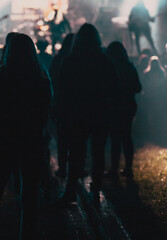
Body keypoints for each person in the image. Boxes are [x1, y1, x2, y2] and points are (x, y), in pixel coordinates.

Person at [0, 33, 52, 240]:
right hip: (31, 144)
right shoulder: (41, 78)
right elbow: (46, 113)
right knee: (29, 201)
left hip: (1, 142)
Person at [56, 24, 119, 204]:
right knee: (98, 152)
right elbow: (115, 85)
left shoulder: (71, 59)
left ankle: (70, 191)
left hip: (77, 113)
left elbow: (62, 88)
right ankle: (96, 190)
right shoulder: (103, 59)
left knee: (75, 153)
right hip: (100, 112)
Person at [106, 41, 142, 178]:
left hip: (114, 107)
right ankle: (128, 168)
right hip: (128, 106)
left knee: (115, 138)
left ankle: (114, 169)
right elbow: (138, 88)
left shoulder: (110, 68)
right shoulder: (129, 67)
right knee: (127, 137)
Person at [49, 33, 74, 178]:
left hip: (63, 104)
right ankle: (76, 168)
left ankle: (63, 168)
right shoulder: (79, 60)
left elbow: (52, 79)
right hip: (75, 105)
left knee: (63, 139)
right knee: (76, 139)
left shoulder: (58, 59)